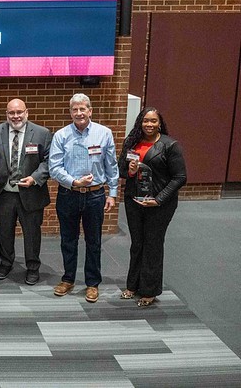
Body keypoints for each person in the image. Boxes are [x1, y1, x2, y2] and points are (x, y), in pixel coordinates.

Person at [49, 93, 118, 303]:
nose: (79, 113)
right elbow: (54, 167)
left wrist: (113, 193)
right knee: (68, 240)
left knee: (94, 241)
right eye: (75, 109)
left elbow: (111, 165)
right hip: (68, 194)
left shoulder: (104, 133)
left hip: (95, 195)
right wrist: (74, 182)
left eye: (83, 109)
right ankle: (68, 279)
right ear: (70, 112)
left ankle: (92, 284)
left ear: (90, 111)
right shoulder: (61, 136)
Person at [118, 107, 187, 307]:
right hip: (134, 201)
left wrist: (159, 199)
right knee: (137, 244)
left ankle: (149, 290)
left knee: (153, 245)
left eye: (153, 121)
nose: (149, 124)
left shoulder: (170, 145)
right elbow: (122, 171)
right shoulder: (131, 143)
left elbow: (180, 177)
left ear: (159, 123)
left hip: (159, 205)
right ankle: (132, 285)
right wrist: (129, 171)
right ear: (140, 122)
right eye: (146, 121)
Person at [0, 98, 52, 286]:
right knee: (4, 232)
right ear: (6, 114)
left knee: (32, 233)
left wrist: (35, 178)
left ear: (26, 112)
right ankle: (6, 263)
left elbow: (48, 162)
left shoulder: (42, 133)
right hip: (3, 193)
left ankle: (32, 267)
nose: (15, 116)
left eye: (19, 112)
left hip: (31, 192)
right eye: (11, 113)